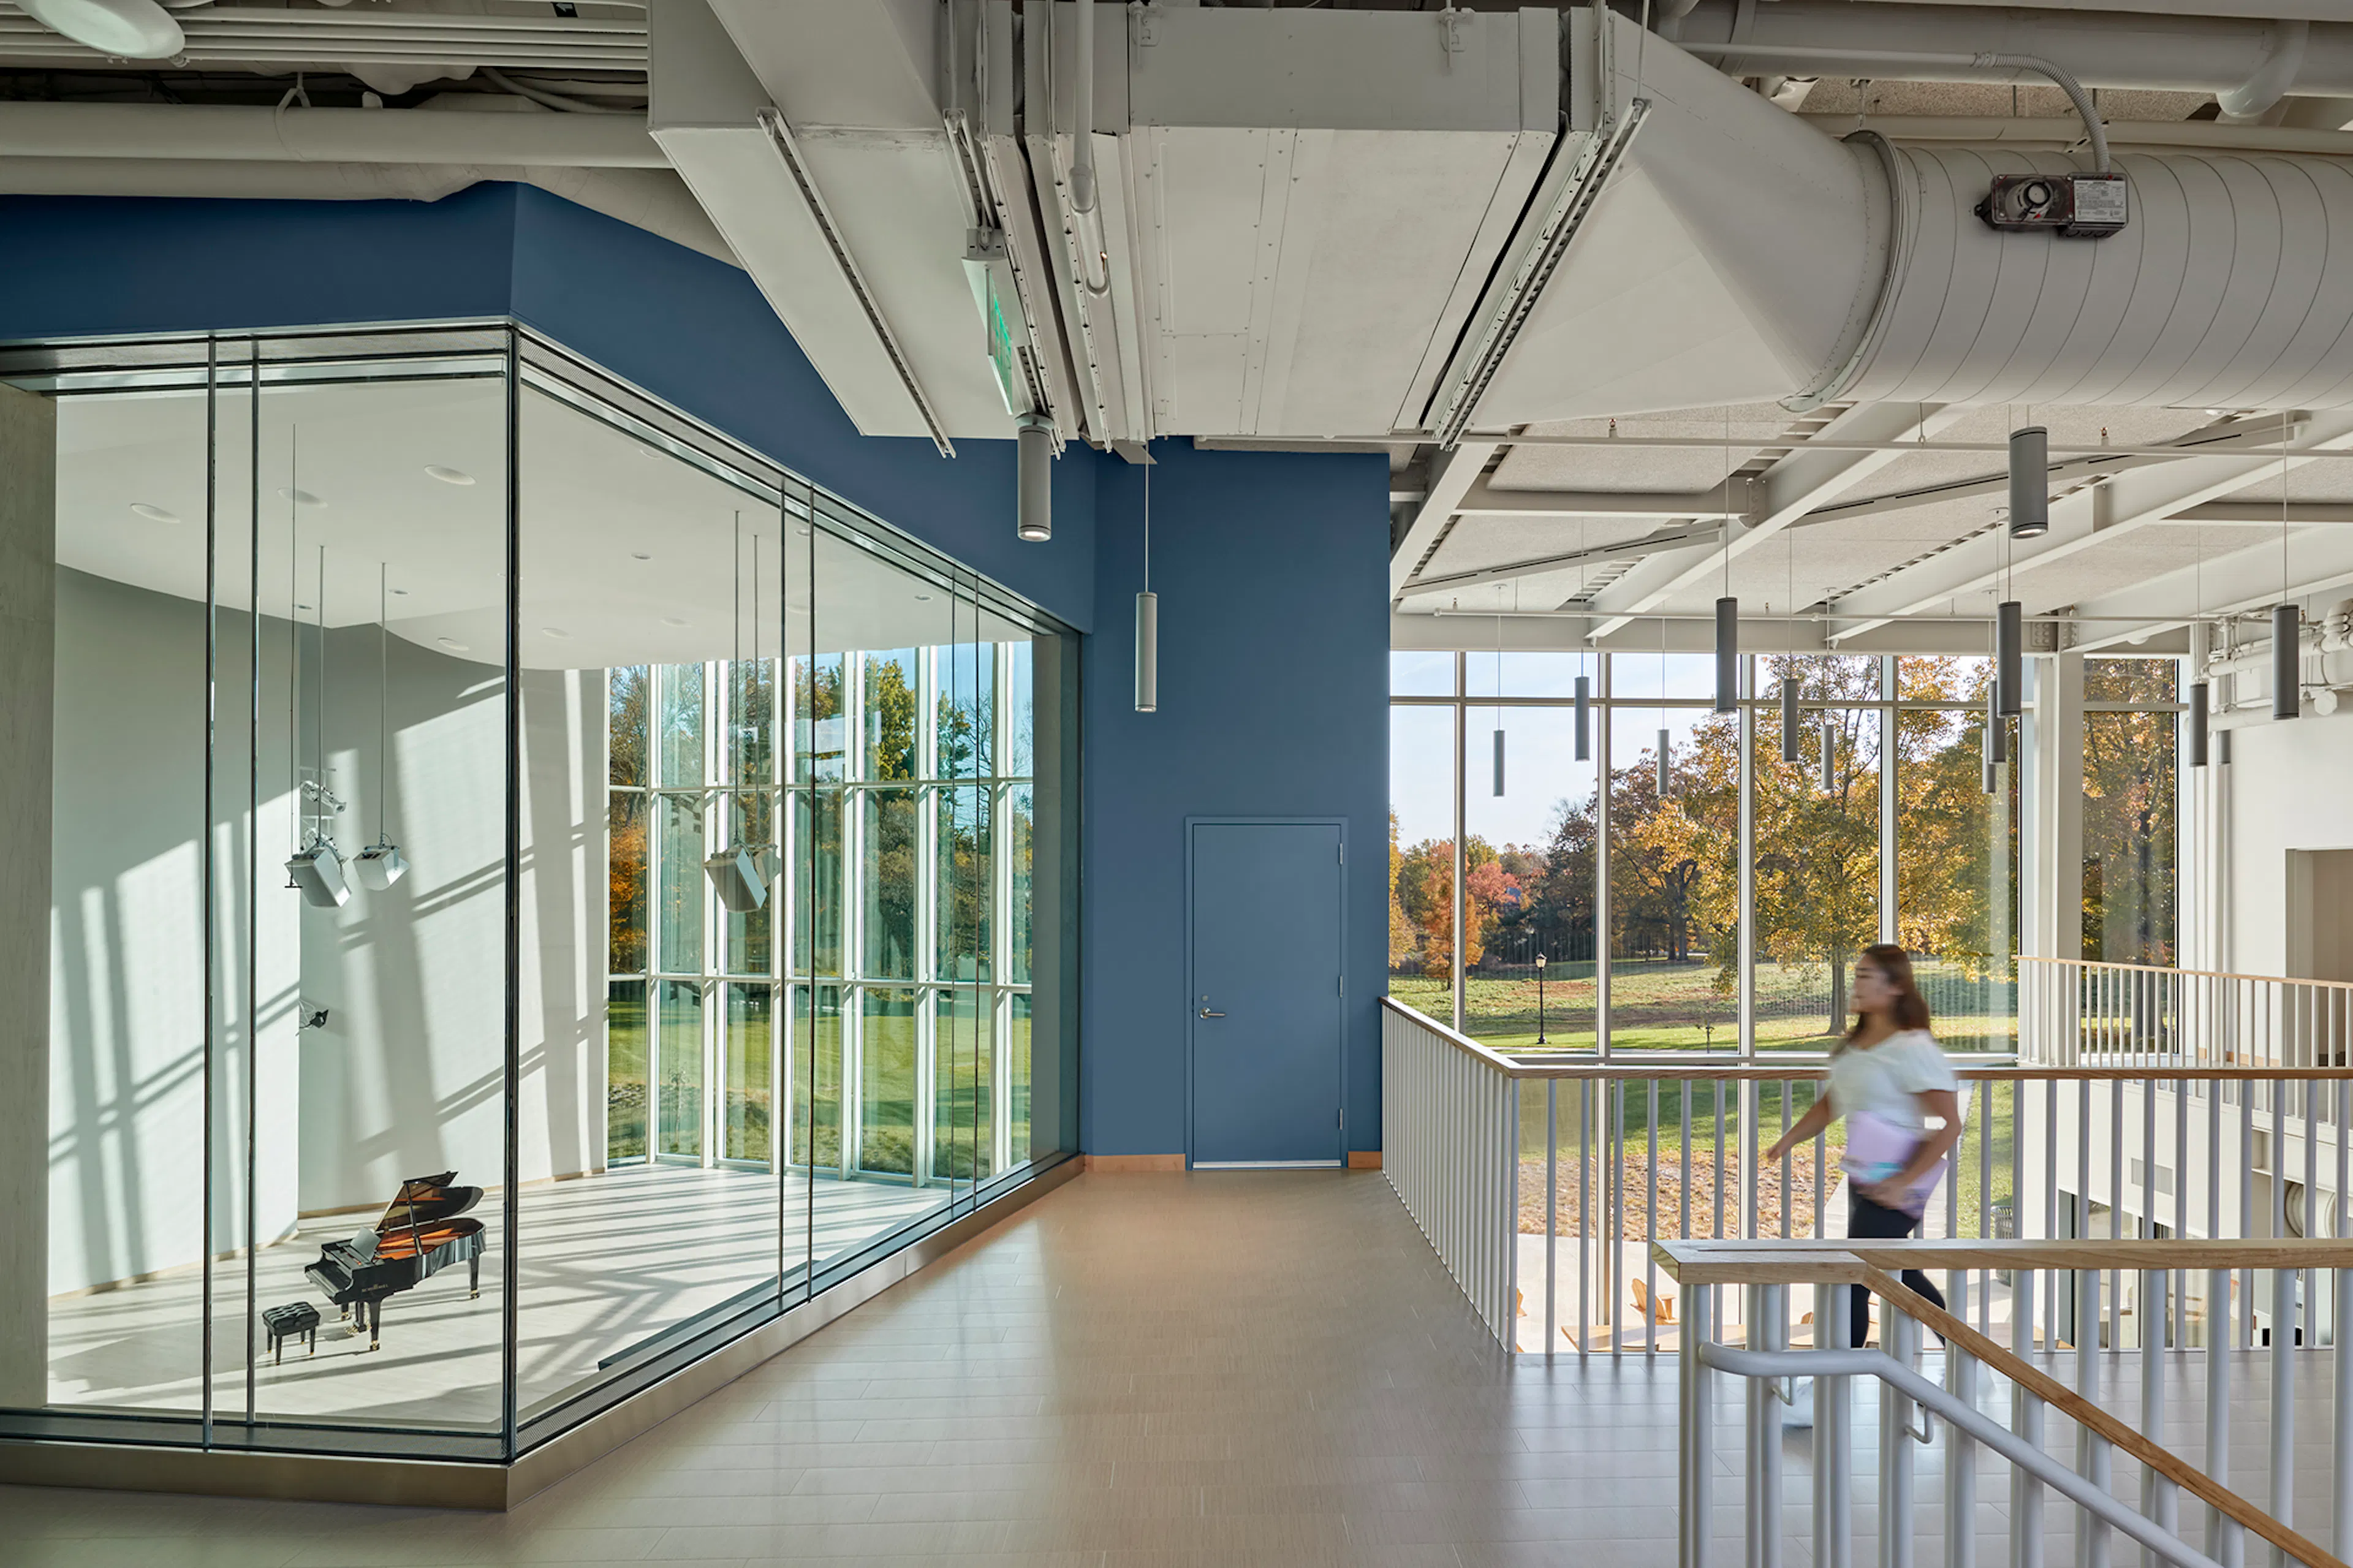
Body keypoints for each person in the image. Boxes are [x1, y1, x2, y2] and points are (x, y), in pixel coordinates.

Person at [1764, 942, 1963, 1347]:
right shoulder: (1856, 1046)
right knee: (1899, 1273)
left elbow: (1950, 1124)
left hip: (1896, 1182)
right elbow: (1831, 1103)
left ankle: (1839, 1375)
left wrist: (1905, 1181)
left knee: (1856, 1275)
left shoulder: (1912, 1047)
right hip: (1864, 1176)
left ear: (1894, 988)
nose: (1857, 982)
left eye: (1867, 975)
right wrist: (1788, 1139)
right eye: (1857, 974)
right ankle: (1964, 1353)